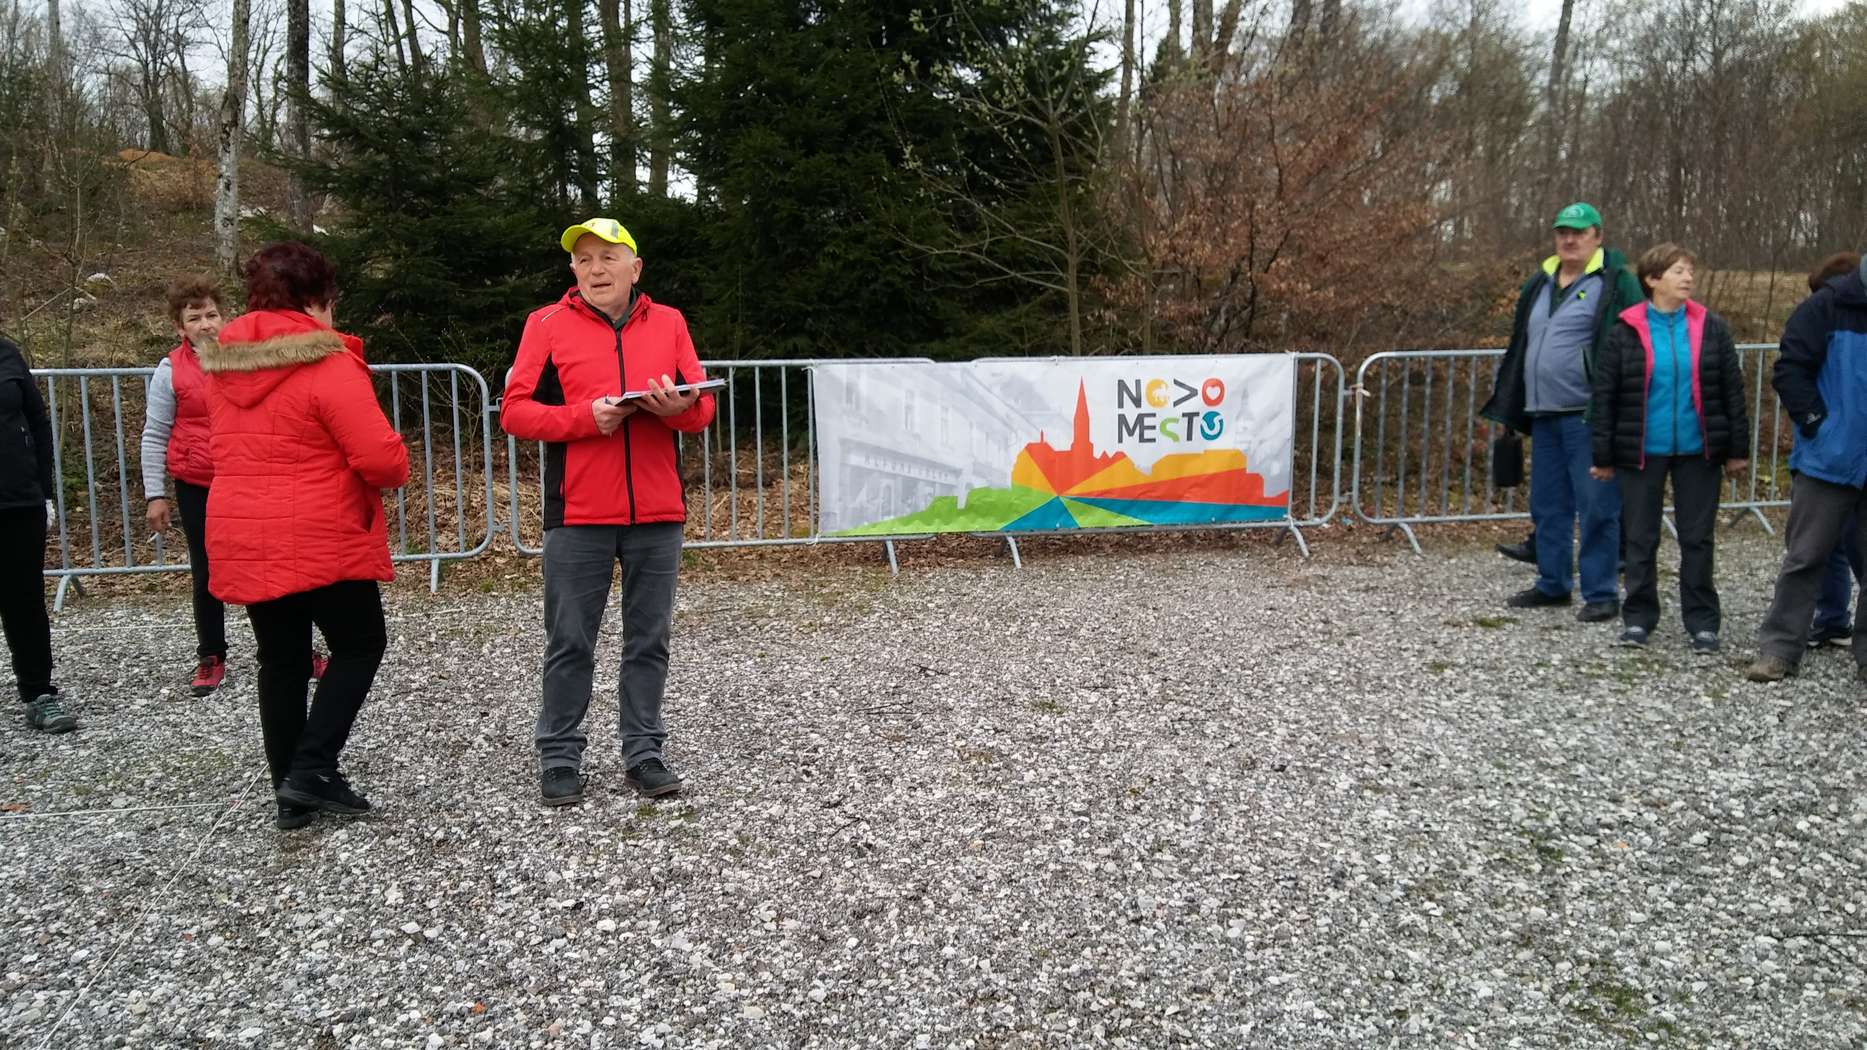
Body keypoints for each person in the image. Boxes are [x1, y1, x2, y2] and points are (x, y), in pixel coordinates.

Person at [501, 217, 716, 807]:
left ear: (635, 268)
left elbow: (702, 409)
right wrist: (584, 418)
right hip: (578, 513)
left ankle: (644, 751)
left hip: (657, 510)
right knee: (570, 640)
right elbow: (514, 412)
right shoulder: (544, 324)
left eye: (608, 257)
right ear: (573, 270)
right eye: (584, 259)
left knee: (650, 640)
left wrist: (676, 410)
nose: (596, 269)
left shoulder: (669, 322)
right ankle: (559, 756)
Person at [199, 242, 409, 829]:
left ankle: (289, 791)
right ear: (317, 300)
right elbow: (380, 460)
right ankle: (313, 766)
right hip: (321, 528)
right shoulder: (328, 361)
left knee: (282, 659)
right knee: (361, 644)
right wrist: (398, 455)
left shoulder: (223, 367)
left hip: (246, 529)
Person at [140, 279, 335, 698]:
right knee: (206, 570)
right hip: (199, 483)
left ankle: (297, 650)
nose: (205, 324)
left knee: (277, 565)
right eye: (195, 318)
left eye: (211, 314)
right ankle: (211, 654)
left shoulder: (248, 358)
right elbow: (154, 434)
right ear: (179, 327)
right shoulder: (170, 370)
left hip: (252, 478)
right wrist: (155, 494)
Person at [1481, 202, 1645, 622]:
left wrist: (1616, 404)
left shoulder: (1616, 282)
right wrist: (1511, 400)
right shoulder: (1539, 282)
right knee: (1547, 504)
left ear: (1597, 236)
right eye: (1562, 232)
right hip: (1543, 412)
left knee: (1597, 506)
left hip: (1588, 414)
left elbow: (1635, 344)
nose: (1569, 239)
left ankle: (1601, 592)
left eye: (1579, 232)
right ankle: (1552, 583)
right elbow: (1521, 343)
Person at [1588, 244, 1749, 653]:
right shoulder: (1625, 329)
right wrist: (1602, 456)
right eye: (1678, 270)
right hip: (1642, 451)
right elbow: (1606, 396)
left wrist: (1737, 449)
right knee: (1640, 539)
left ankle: (1703, 623)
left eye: (1689, 270)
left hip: (1699, 451)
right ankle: (1638, 619)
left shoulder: (1711, 327)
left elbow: (1732, 391)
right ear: (1653, 279)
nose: (1688, 277)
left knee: (1698, 539)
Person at [1745, 252, 1867, 683]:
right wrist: (1819, 425)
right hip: (1828, 460)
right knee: (1805, 557)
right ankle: (1779, 649)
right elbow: (1790, 370)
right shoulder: (1825, 306)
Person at [0, 335, 77, 734]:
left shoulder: (8, 354)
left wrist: (44, 492)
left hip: (18, 500)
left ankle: (38, 693)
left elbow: (39, 422)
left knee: (25, 602)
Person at [1804, 252, 1864, 648]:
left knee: (1849, 544)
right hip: (1831, 448)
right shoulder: (1821, 319)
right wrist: (1815, 422)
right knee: (1826, 545)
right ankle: (1832, 618)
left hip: (1845, 447)